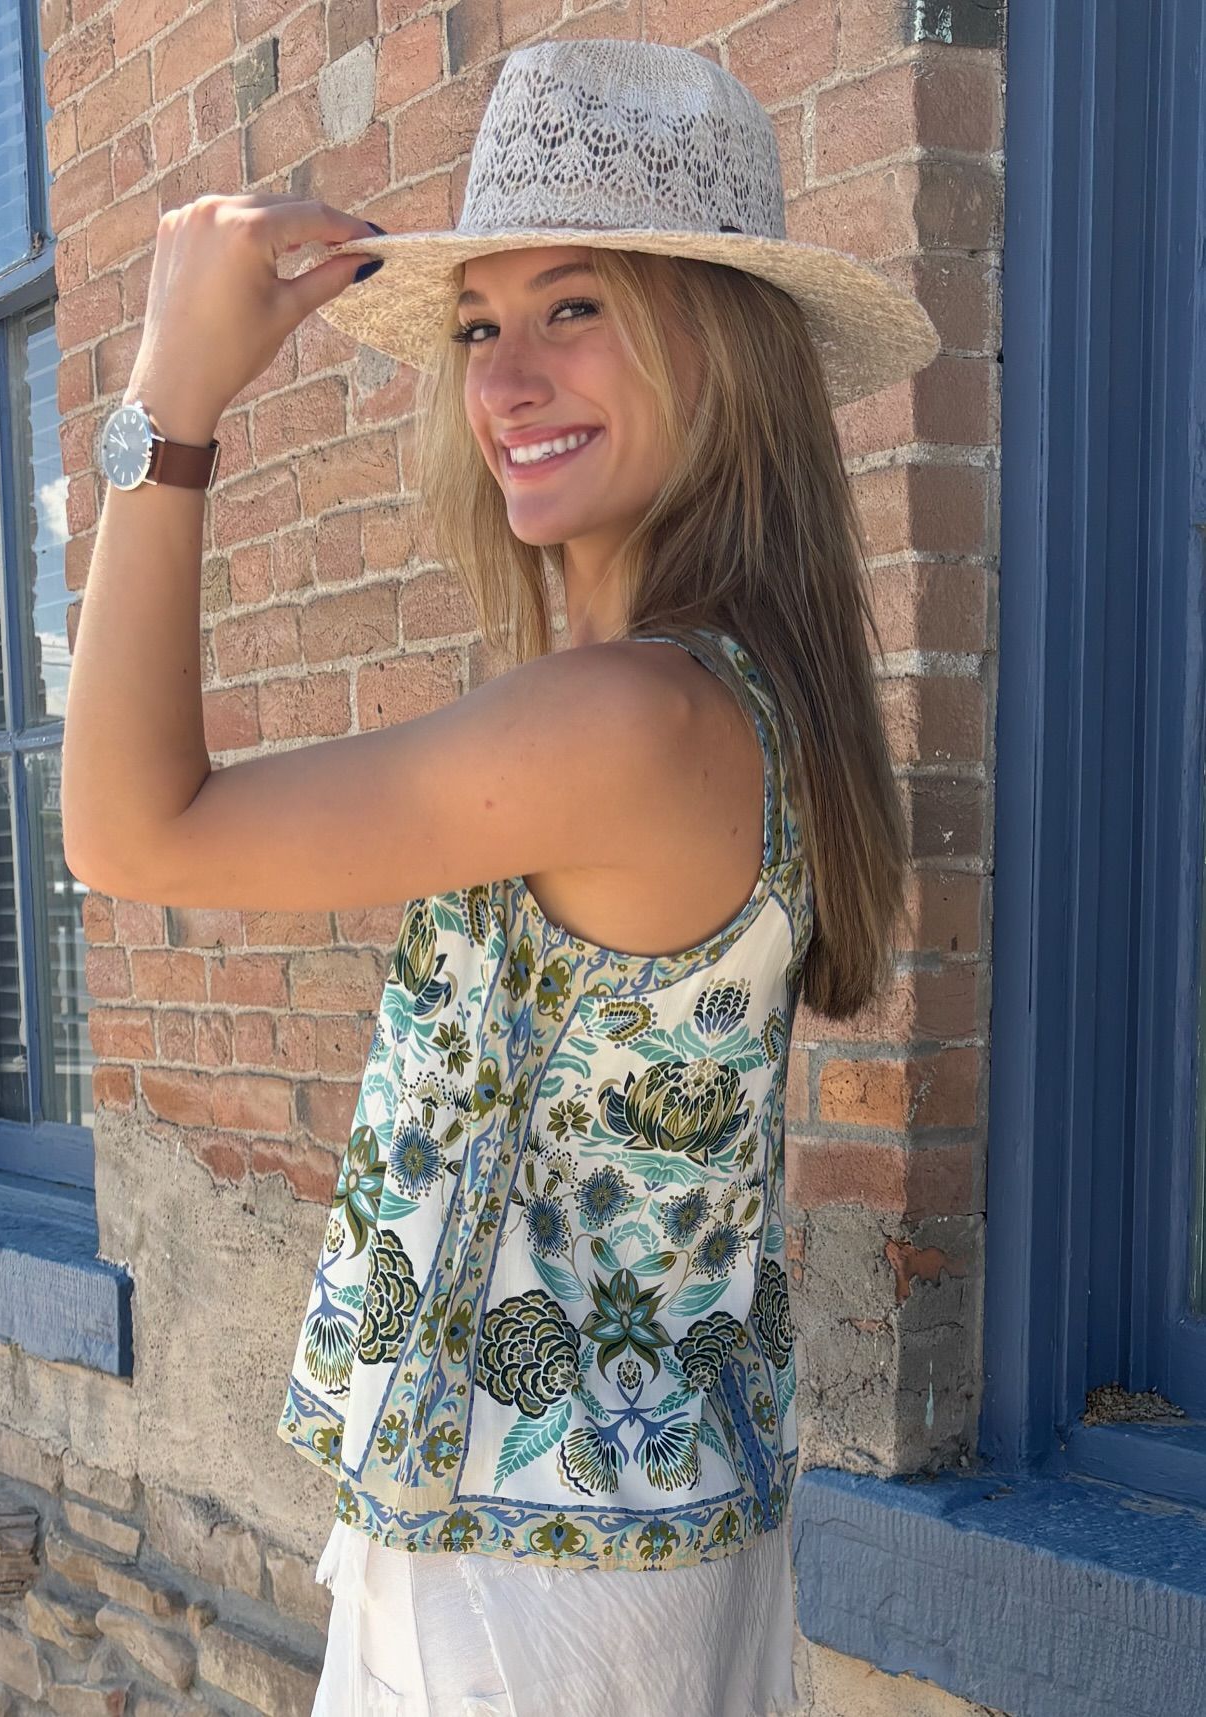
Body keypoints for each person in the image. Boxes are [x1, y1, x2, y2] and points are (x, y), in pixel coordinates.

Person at [62, 34, 938, 1717]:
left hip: (534, 1595)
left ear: (723, 347)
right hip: (611, 1539)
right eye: (478, 326)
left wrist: (163, 409)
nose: (508, 381)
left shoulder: (625, 721)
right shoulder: (719, 693)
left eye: (575, 308)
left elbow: (127, 831)